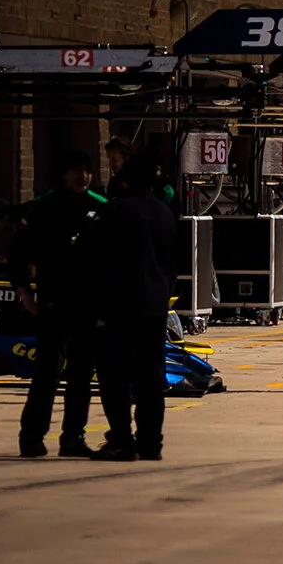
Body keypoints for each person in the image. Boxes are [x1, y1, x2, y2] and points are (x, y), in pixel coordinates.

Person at [15, 150, 106, 458]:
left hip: (89, 304)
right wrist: (23, 290)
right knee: (47, 372)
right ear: (63, 173)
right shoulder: (42, 209)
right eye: (76, 170)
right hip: (53, 303)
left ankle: (73, 437)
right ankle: (31, 436)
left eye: (87, 171)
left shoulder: (99, 208)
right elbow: (19, 252)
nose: (83, 177)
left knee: (81, 374)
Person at [91, 149, 180, 461]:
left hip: (120, 306)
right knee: (151, 376)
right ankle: (150, 442)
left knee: (115, 375)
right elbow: (173, 263)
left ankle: (122, 440)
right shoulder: (164, 213)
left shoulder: (115, 211)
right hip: (155, 306)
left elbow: (98, 260)